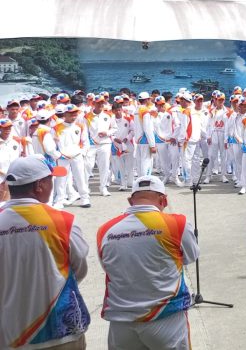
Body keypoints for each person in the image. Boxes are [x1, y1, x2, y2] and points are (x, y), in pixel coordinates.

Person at [97, 175, 199, 349]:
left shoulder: (105, 230)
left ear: (130, 201)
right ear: (163, 200)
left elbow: (108, 267)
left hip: (121, 322)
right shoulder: (176, 223)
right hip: (166, 317)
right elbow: (191, 257)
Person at [0, 155, 90, 349]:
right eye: (50, 179)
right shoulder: (63, 221)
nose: (52, 185)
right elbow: (80, 267)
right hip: (60, 332)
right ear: (39, 185)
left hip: (9, 335)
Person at [84, 94, 115, 197]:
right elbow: (84, 132)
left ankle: (103, 188)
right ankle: (85, 188)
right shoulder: (87, 116)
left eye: (102, 103)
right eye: (98, 103)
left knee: (104, 166)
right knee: (88, 166)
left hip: (105, 143)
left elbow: (114, 128)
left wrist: (107, 133)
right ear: (93, 103)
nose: (101, 104)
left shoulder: (109, 115)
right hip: (91, 144)